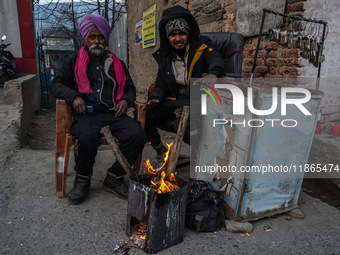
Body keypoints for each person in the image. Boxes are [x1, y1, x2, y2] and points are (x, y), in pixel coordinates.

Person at [49, 14, 147, 204]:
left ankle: (114, 176)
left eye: (100, 37)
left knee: (138, 135)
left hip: (113, 114)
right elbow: (56, 85)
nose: (97, 41)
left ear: (106, 38)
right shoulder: (73, 61)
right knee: (86, 135)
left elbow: (130, 88)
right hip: (86, 115)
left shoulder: (118, 63)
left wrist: (126, 100)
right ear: (86, 38)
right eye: (92, 37)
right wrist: (74, 96)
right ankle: (83, 178)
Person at [143, 5, 226, 161]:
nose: (178, 38)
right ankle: (160, 150)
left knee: (191, 128)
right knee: (144, 114)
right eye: (173, 34)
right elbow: (160, 83)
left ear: (187, 33)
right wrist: (155, 98)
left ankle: (200, 168)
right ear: (167, 37)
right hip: (176, 100)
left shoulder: (202, 46)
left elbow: (216, 59)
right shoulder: (165, 55)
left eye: (181, 33)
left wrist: (213, 73)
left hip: (196, 100)